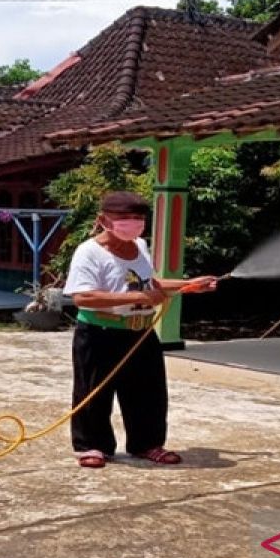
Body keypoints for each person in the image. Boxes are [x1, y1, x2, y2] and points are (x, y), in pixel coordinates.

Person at [62, 191, 218, 469]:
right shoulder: (89, 252)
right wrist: (138, 298)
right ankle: (93, 446)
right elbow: (82, 297)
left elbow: (149, 283)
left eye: (137, 218)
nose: (131, 224)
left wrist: (188, 284)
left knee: (148, 391)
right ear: (103, 220)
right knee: (94, 390)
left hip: (141, 331)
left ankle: (147, 444)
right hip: (101, 332)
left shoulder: (140, 247)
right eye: (123, 218)